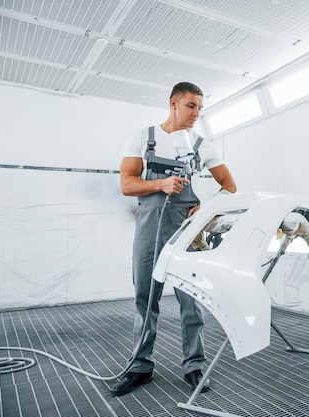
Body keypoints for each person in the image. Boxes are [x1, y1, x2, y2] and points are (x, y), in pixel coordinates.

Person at [111, 82, 237, 397]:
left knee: (191, 301)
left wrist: (204, 209)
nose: (196, 113)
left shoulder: (202, 145)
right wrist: (161, 184)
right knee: (145, 299)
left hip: (187, 234)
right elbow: (127, 184)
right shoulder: (143, 137)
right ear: (173, 104)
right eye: (191, 106)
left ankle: (195, 366)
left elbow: (229, 186)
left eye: (200, 108)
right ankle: (140, 367)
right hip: (149, 231)